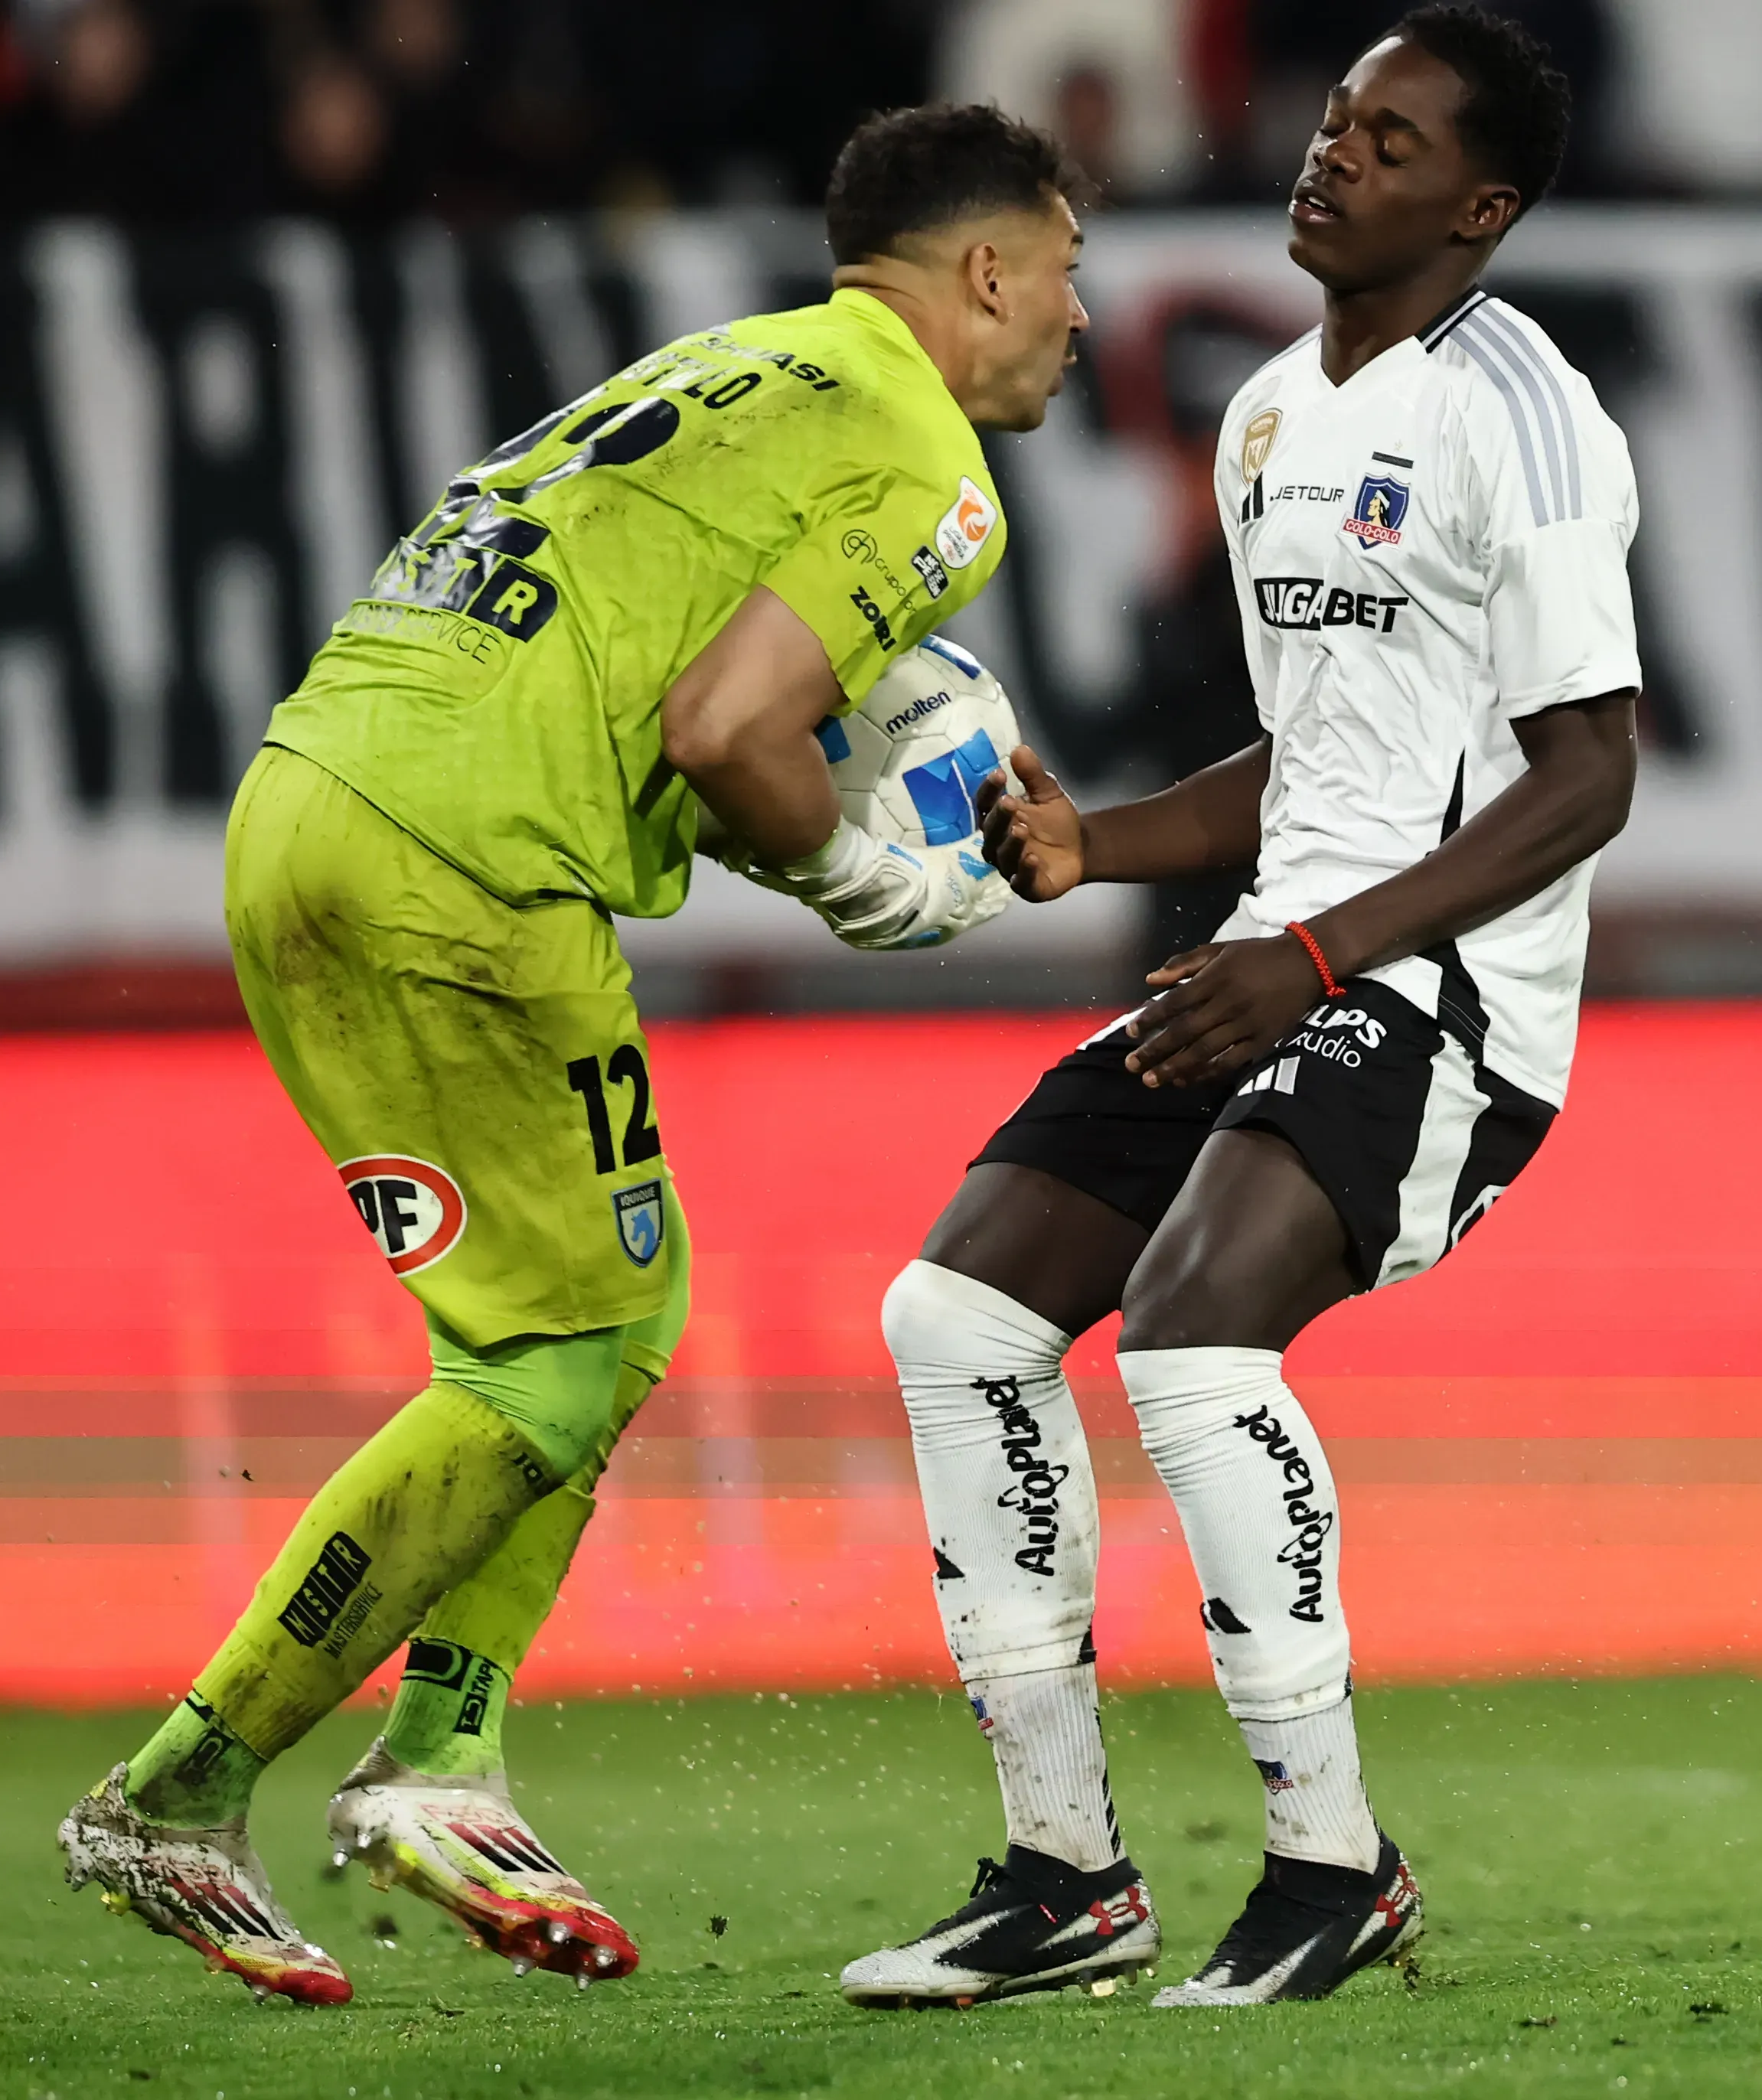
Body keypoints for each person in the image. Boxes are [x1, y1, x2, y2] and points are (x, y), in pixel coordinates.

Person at [55, 103, 1089, 2007]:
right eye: (1069, 267)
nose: (1081, 318)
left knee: (587, 1316)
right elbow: (729, 730)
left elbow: (670, 707)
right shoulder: (929, 462)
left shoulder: (726, 365)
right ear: (989, 271)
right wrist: (886, 887)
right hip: (470, 866)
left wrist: (815, 791)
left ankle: (443, 1755)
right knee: (560, 1357)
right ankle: (190, 1784)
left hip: (311, 804)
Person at [846, 3, 1641, 2011]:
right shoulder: (1271, 410)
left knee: (1193, 1341)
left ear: (1480, 205)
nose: (1328, 150)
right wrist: (1092, 850)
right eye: (1333, 116)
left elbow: (1586, 777)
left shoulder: (1522, 412)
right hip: (1272, 963)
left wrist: (1312, 960)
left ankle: (1328, 1865)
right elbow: (1312, 755)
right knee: (952, 1315)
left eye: (1386, 140)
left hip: (1439, 1004)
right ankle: (1061, 1875)